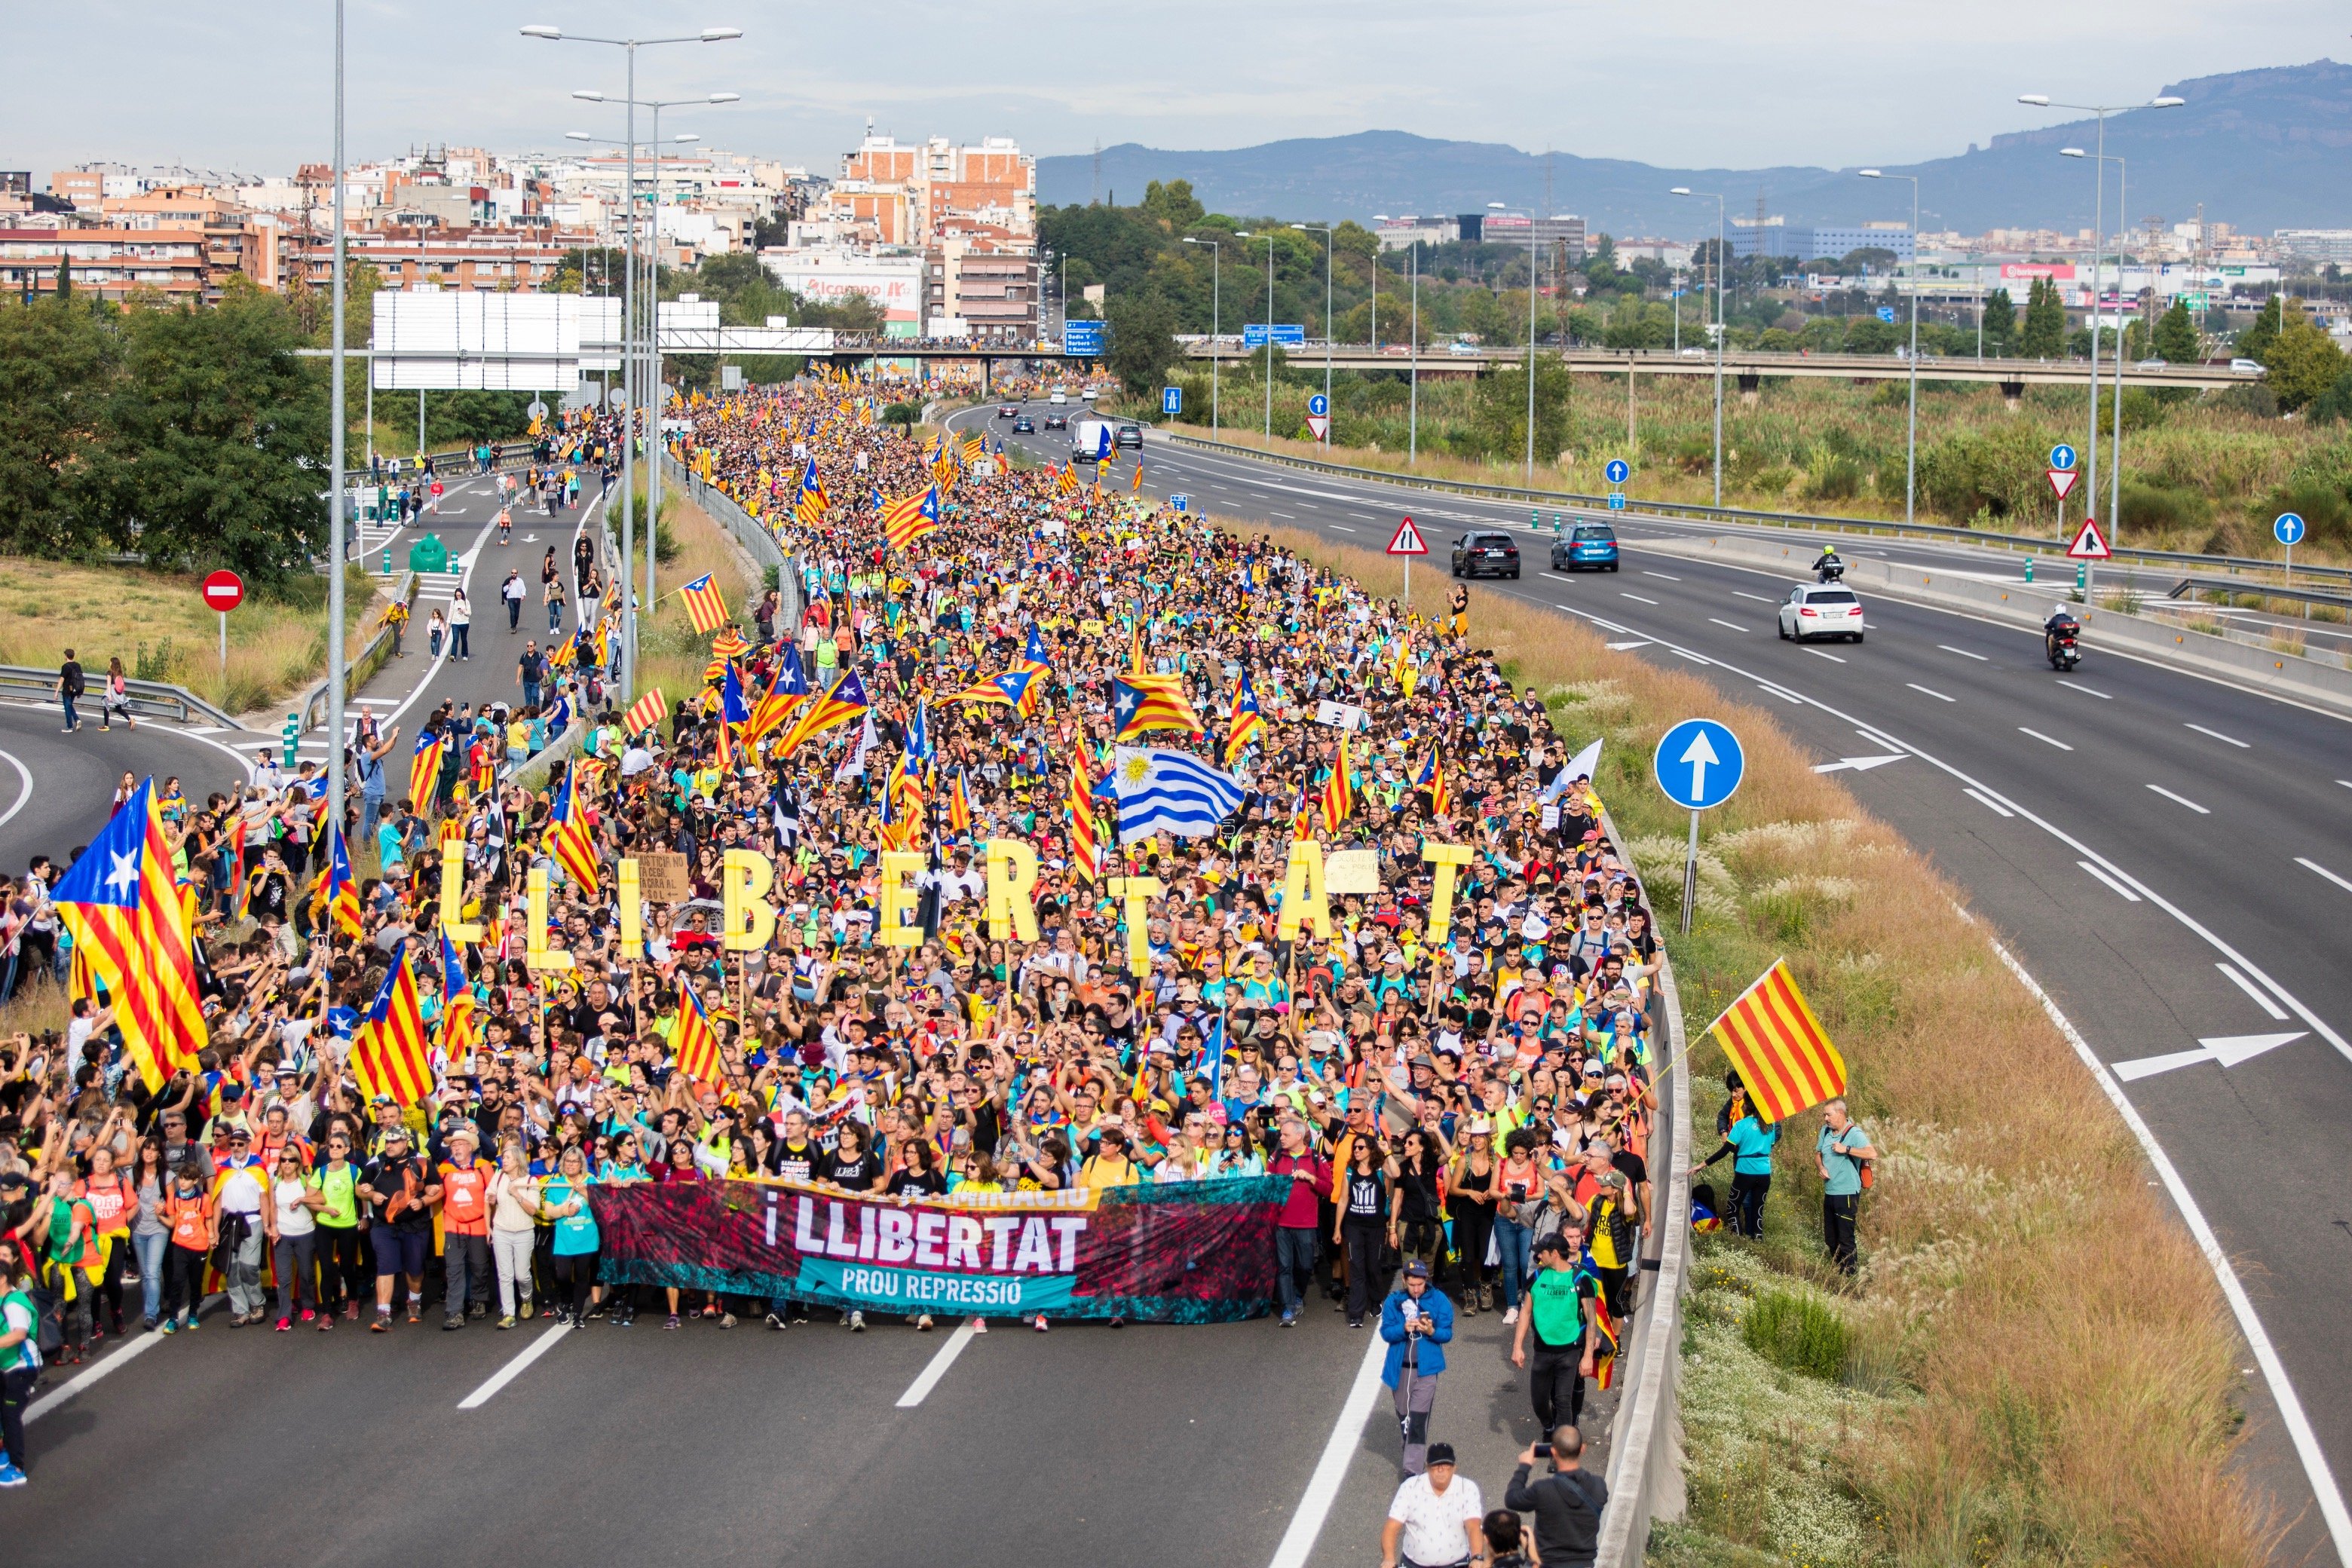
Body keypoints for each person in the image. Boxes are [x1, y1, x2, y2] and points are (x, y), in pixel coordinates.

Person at [1510, 1233, 1600, 1436]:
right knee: (1539, 1400)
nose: (1539, 1256)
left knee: (1562, 1400)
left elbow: (1591, 1319)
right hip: (1542, 1350)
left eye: (1543, 1252)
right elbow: (1525, 1312)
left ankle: (1561, 1449)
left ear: (1555, 1254)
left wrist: (1587, 1357)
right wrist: (1517, 1346)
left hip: (1569, 1350)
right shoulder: (1538, 1277)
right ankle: (1549, 1426)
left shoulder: (1581, 1279)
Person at [358, 1125, 439, 1331]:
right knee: (385, 1266)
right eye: (388, 1141)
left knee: (414, 1268)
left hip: (415, 1225)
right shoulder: (376, 1162)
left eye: (395, 1141)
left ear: (405, 1142)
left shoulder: (421, 1162)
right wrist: (370, 1195)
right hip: (384, 1225)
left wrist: (423, 1202)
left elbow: (438, 1189)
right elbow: (360, 1187)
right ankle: (383, 1314)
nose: (390, 1145)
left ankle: (414, 1301)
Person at [1380, 1258, 1455, 1477]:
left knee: (1417, 1421)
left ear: (1426, 1281)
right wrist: (1403, 1327)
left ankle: (1411, 1472)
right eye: (1412, 1284)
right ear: (1404, 1280)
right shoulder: (1394, 1301)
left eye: (1420, 1284)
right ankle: (1412, 1455)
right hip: (1400, 1370)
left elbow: (1447, 1333)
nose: (1416, 1289)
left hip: (1427, 1371)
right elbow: (1386, 1333)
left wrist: (1432, 1331)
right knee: (1405, 1417)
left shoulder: (1439, 1300)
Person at [1505, 1426, 1609, 1568]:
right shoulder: (1599, 1486)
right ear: (1582, 1449)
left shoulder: (1542, 1490)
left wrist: (1524, 1466)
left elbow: (1511, 1499)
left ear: (1553, 1452)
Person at [1379, 1441, 1484, 1568]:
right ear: (1427, 1467)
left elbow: (1473, 1526)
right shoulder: (1410, 1487)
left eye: (1446, 1465)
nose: (1440, 1469)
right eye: (1436, 1465)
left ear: (1454, 1468)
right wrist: (1389, 1558)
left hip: (1457, 1564)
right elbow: (1392, 1527)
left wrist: (1477, 1557)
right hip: (1414, 1565)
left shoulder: (1467, 1488)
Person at [1269, 1116, 1329, 1327]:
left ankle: (1298, 1294)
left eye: (1285, 1134)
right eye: (1281, 1134)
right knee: (1284, 1266)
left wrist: (1311, 1178)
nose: (1281, 1138)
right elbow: (1268, 1187)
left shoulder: (1315, 1157)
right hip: (1281, 1222)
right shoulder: (1276, 1157)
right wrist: (1267, 1180)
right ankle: (1287, 1309)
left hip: (1306, 1223)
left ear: (1299, 1136)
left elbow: (1328, 1189)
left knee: (1305, 1266)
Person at [436, 1123, 493, 1328]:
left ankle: (478, 1299)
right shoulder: (444, 1168)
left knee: (479, 1266)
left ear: (471, 1147)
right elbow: (437, 1191)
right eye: (453, 1145)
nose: (457, 1148)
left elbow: (492, 1194)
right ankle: (454, 1313)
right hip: (453, 1224)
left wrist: (491, 1225)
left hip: (478, 1223)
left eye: (461, 1144)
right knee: (454, 1269)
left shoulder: (482, 1166)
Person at [1695, 1100, 1778, 1240]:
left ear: (1747, 1107)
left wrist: (1702, 1164)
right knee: (1758, 1209)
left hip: (1745, 1171)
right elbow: (1771, 1144)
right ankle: (1757, 1239)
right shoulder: (1771, 1124)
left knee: (1733, 1207)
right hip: (1764, 1172)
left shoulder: (1741, 1125)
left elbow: (1725, 1151)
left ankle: (1737, 1237)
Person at [265, 1144, 323, 1331]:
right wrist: (272, 1227)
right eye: (283, 1160)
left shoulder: (306, 1180)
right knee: (283, 1277)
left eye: (291, 1160)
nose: (287, 1163)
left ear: (298, 1163)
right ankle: (284, 1316)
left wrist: (303, 1199)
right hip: (283, 1235)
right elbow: (272, 1207)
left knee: (306, 1273)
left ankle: (308, 1305)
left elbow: (321, 1199)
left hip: (305, 1233)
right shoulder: (274, 1183)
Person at [1816, 1098, 1875, 1273]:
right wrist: (1821, 1167)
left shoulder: (1854, 1133)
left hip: (1848, 1193)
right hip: (1830, 1191)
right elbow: (1818, 1154)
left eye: (1829, 1115)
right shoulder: (1825, 1131)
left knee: (1845, 1237)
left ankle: (1850, 1275)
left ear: (1840, 1113)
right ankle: (1837, 1271)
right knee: (1831, 1238)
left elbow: (1872, 1153)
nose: (1826, 1118)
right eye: (1824, 1115)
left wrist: (1847, 1149)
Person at [488, 1142, 539, 1328]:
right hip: (502, 1230)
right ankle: (508, 1313)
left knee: (522, 1274)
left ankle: (527, 1298)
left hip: (524, 1232)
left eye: (507, 1158)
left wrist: (517, 1195)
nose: (504, 1160)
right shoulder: (498, 1177)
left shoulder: (530, 1181)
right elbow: (489, 1198)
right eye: (503, 1157)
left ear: (518, 1161)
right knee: (505, 1274)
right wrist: (491, 1202)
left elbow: (533, 1210)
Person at [0, 1239, 38, 1487]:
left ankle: (17, 1467)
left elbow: (18, 1334)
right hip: (5, 1366)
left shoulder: (14, 1302)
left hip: (22, 1368)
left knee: (10, 1414)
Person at [55, 648, 83, 733]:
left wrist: (56, 691)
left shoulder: (65, 667)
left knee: (67, 708)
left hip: (67, 690)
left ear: (66, 656)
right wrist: (79, 691)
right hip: (75, 690)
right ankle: (77, 719)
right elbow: (80, 678)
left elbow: (61, 680)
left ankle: (70, 727)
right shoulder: (78, 665)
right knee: (70, 705)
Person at [449, 587, 473, 660]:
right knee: (455, 639)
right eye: (457, 595)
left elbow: (469, 613)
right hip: (455, 622)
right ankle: (453, 655)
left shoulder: (466, 601)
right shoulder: (453, 601)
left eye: (459, 595)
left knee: (464, 639)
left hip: (464, 622)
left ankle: (465, 655)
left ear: (462, 594)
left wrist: (464, 611)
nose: (458, 596)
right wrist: (448, 623)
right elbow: (451, 612)